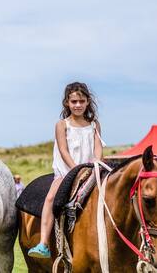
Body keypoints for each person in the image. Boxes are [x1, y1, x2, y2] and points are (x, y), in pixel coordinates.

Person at [28, 82, 104, 258]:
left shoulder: (94, 124)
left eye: (81, 101)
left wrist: (96, 164)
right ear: (67, 103)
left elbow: (98, 147)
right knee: (50, 198)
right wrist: (77, 169)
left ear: (87, 102)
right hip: (67, 171)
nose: (78, 105)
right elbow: (63, 150)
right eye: (74, 101)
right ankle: (44, 243)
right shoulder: (62, 124)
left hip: (92, 170)